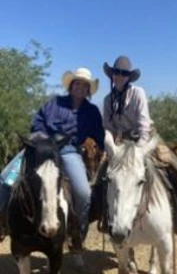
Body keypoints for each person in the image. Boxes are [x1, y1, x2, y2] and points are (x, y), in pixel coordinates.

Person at [0, 68, 104, 252]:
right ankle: (3, 223)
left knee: (84, 193)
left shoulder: (92, 111)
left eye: (84, 85)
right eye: (77, 83)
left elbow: (99, 135)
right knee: (6, 178)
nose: (80, 87)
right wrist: (40, 137)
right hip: (42, 147)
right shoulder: (55, 103)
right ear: (71, 86)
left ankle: (77, 235)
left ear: (88, 90)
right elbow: (38, 121)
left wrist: (100, 145)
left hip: (68, 150)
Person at [102, 55, 177, 231]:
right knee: (102, 177)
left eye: (123, 73)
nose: (119, 76)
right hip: (121, 144)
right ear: (111, 74)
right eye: (116, 72)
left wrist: (139, 151)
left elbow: (144, 126)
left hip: (144, 140)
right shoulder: (108, 99)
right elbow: (107, 127)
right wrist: (111, 146)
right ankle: (105, 218)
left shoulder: (138, 93)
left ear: (129, 77)